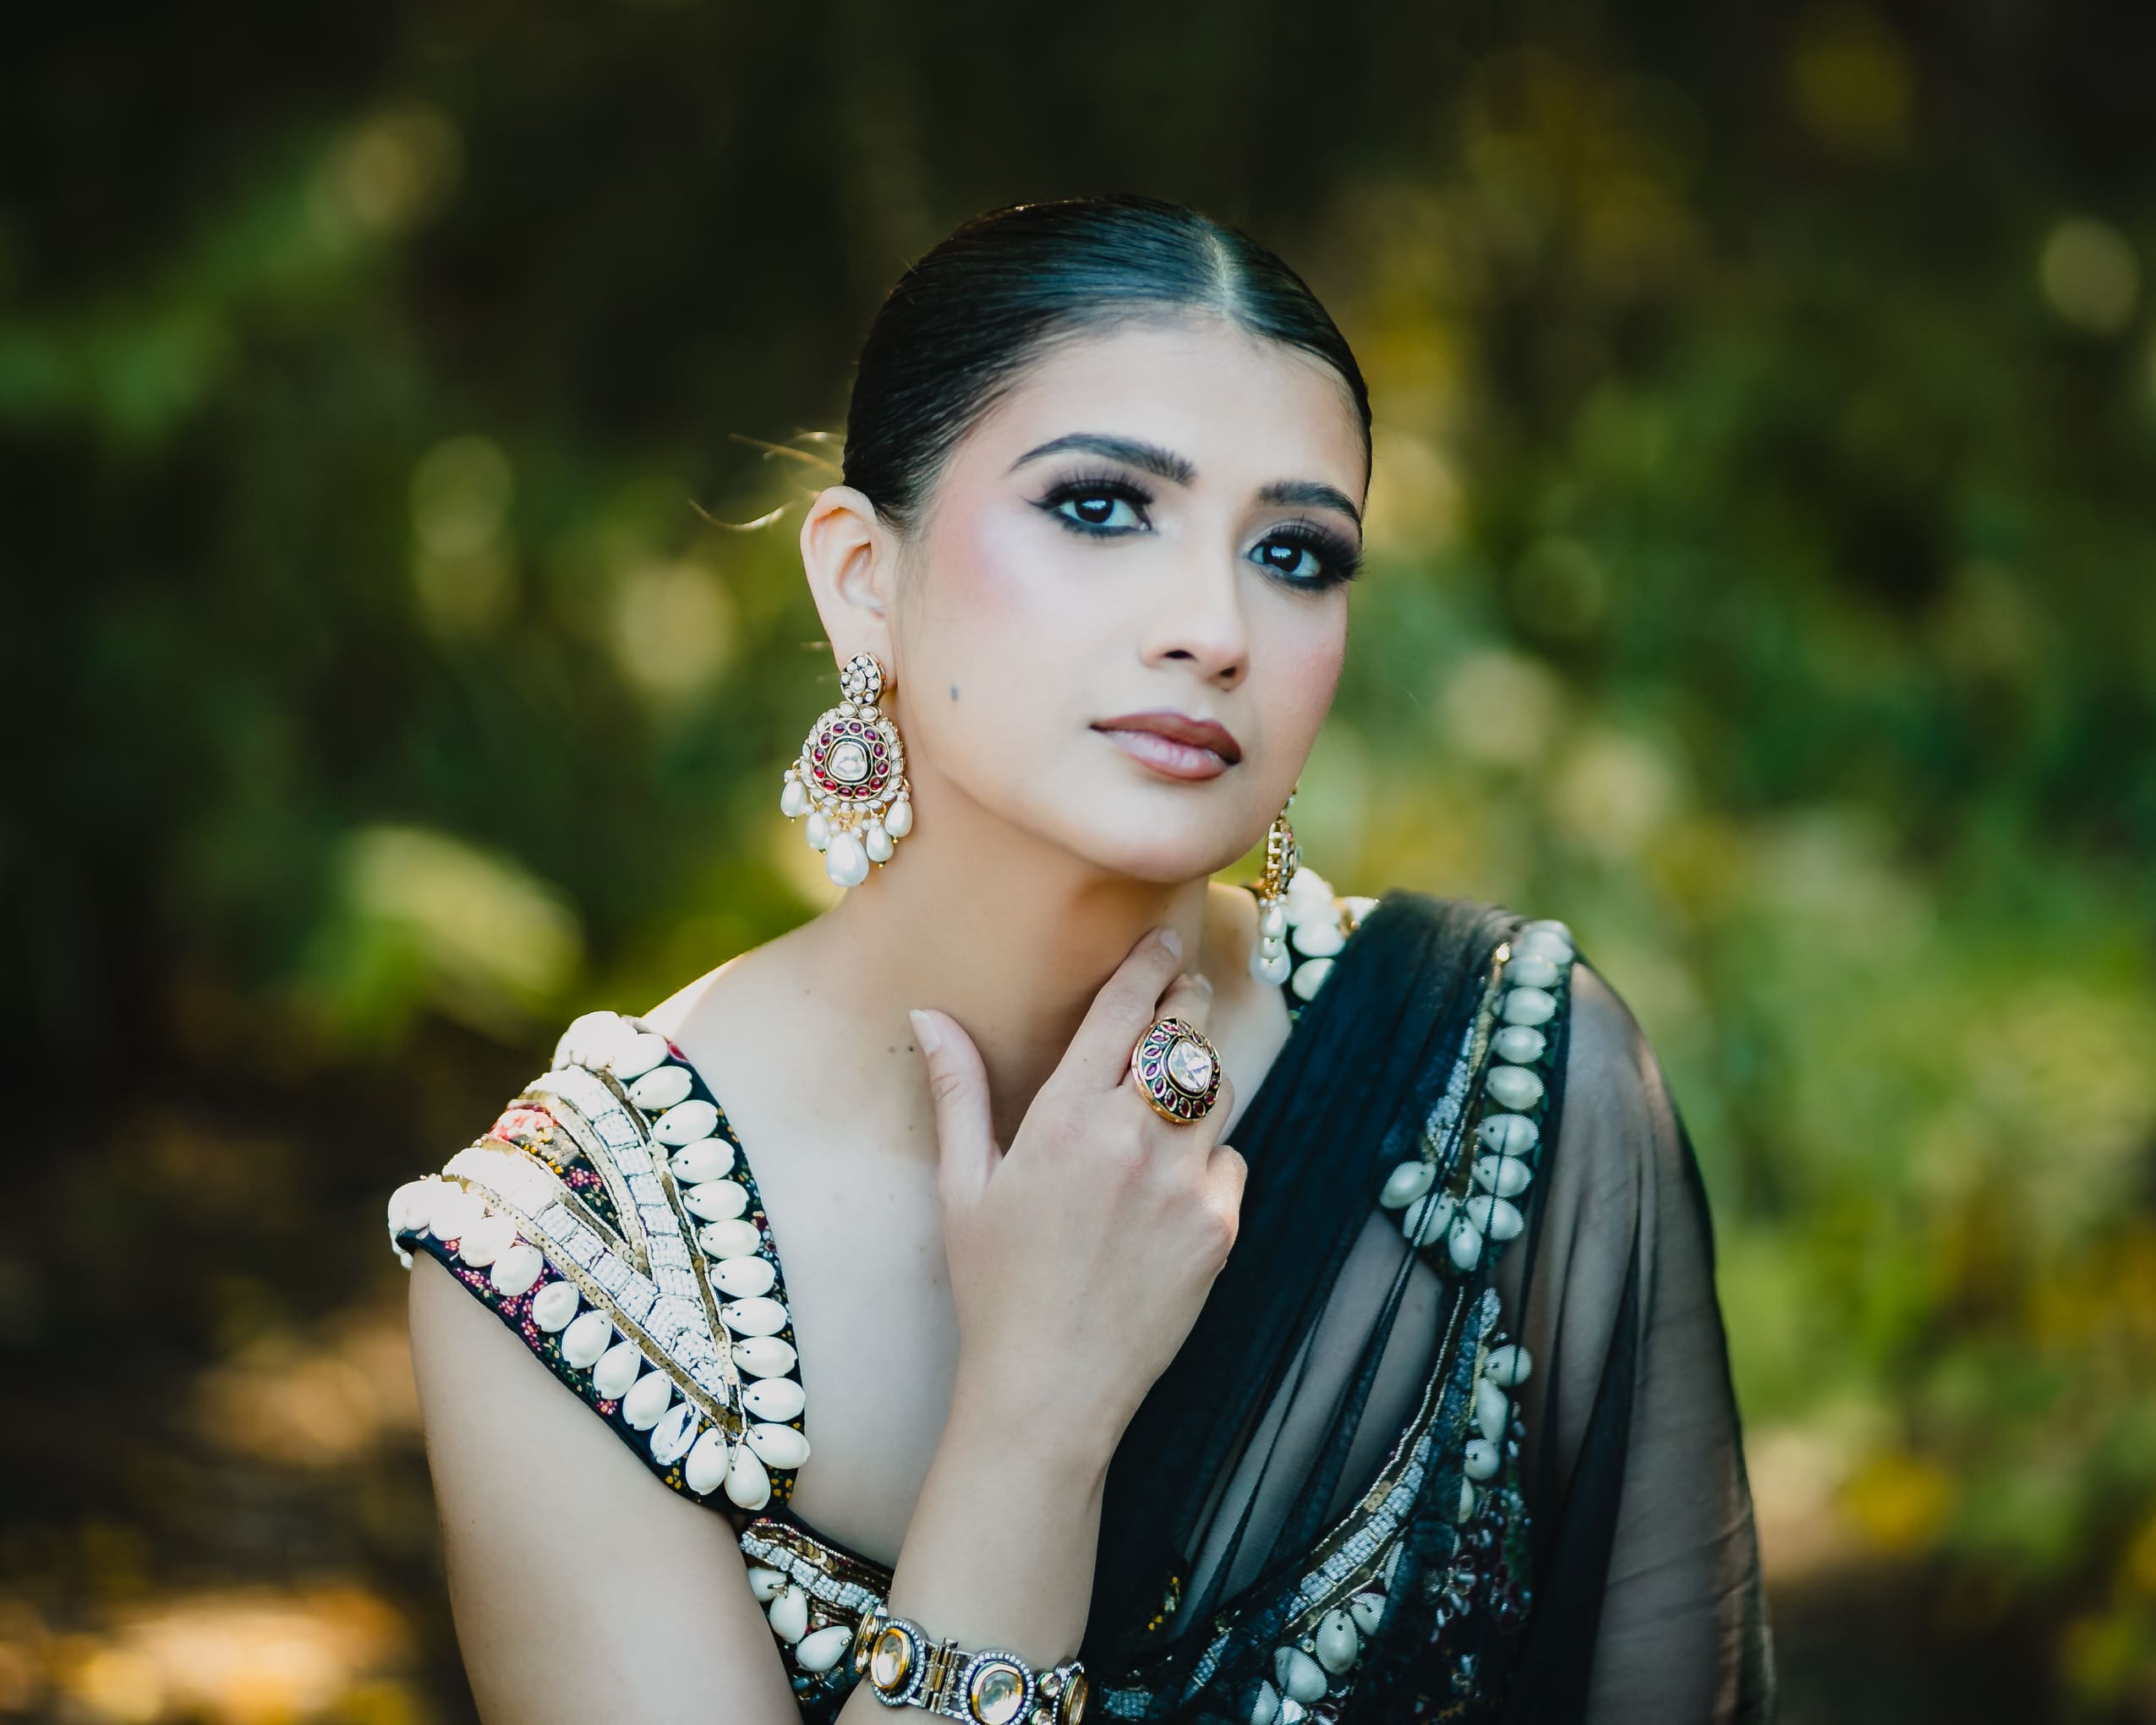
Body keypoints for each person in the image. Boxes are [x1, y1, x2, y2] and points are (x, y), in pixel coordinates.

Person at [389, 194, 1775, 1723]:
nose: (1215, 626)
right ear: (860, 577)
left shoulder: (1508, 1077)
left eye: (1297, 554)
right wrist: (1032, 1418)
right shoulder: (566, 1264)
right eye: (1103, 507)